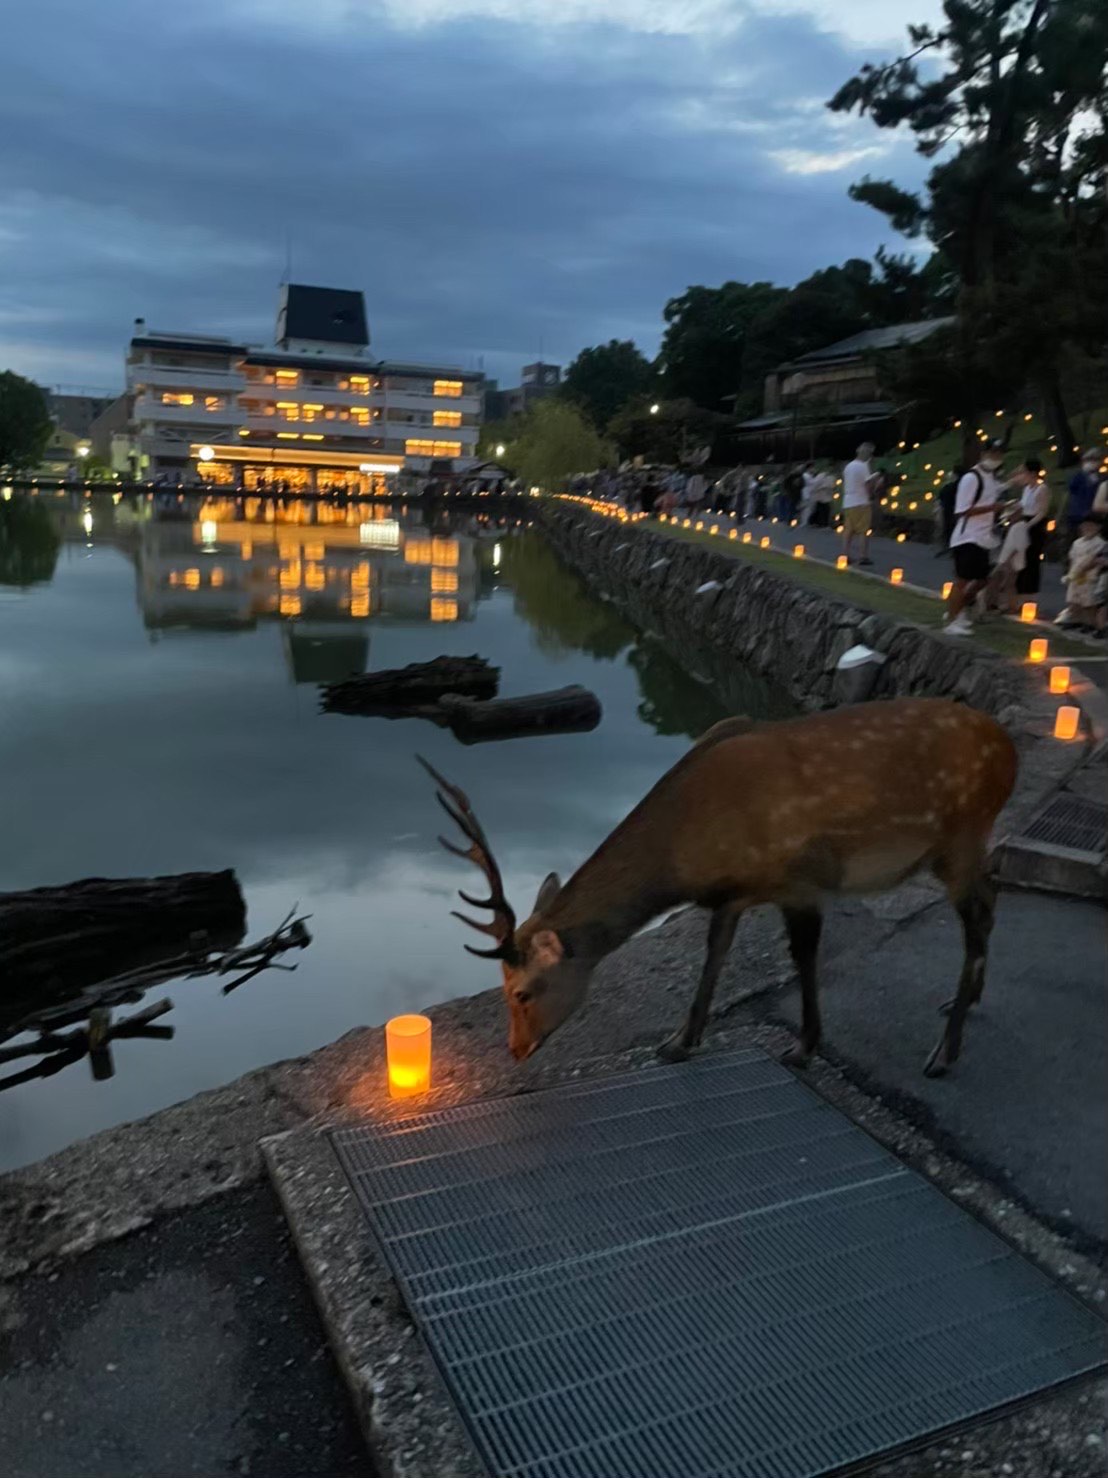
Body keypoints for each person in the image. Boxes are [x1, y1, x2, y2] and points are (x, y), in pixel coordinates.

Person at [946, 441, 1022, 637]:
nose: (996, 457)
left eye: (999, 453)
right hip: (967, 536)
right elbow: (962, 510)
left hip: (983, 536)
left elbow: (997, 492)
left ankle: (959, 609)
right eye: (992, 453)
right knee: (962, 580)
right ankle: (952, 618)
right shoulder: (971, 478)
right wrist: (993, 508)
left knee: (981, 580)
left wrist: (1007, 501)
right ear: (984, 453)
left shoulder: (990, 478)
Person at [1059, 513, 1108, 634]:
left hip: (1089, 577)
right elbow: (1072, 558)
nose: (1088, 528)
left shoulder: (1100, 544)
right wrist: (1070, 572)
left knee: (1088, 602)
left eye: (1092, 526)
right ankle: (1075, 620)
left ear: (1098, 527)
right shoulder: (1077, 543)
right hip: (1075, 576)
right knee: (1074, 600)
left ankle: (1089, 623)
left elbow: (1095, 560)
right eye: (1086, 525)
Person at [841, 442, 881, 565]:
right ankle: (863, 556)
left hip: (848, 501)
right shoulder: (863, 466)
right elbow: (868, 484)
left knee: (849, 530)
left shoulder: (848, 466)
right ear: (868, 454)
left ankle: (845, 554)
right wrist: (872, 493)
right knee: (863, 530)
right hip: (861, 501)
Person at [1015, 457, 1050, 596]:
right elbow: (1023, 505)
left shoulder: (1042, 489)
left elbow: (1042, 511)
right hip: (1024, 521)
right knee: (1020, 557)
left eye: (1024, 472)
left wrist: (1029, 525)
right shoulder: (1026, 489)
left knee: (1032, 559)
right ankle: (1019, 589)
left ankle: (1029, 592)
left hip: (1035, 525)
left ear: (1032, 473)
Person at [987, 506, 1029, 614]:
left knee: (1009, 584)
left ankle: (1011, 606)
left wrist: (1008, 561)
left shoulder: (1020, 526)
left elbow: (1019, 546)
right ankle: (993, 602)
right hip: (1004, 559)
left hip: (1011, 561)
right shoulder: (1013, 526)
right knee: (995, 579)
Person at [1066, 449, 1103, 539]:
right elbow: (1072, 488)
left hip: (1093, 513)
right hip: (1078, 511)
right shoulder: (1079, 476)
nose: (1092, 464)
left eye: (1095, 461)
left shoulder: (1100, 477)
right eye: (1089, 460)